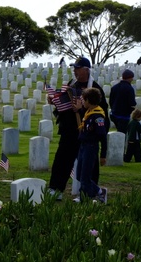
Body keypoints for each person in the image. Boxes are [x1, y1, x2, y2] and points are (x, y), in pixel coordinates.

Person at [46, 57, 108, 199]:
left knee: (88, 165)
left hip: (87, 133)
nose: (75, 71)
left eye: (78, 68)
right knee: (62, 160)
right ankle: (56, 189)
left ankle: (88, 193)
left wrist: (81, 110)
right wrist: (55, 101)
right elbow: (65, 104)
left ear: (86, 70)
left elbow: (100, 112)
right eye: (74, 68)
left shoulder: (95, 89)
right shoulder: (71, 85)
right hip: (69, 130)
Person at [76, 88, 108, 204]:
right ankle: (97, 192)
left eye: (83, 100)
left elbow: (102, 136)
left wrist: (103, 155)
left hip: (91, 147)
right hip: (83, 146)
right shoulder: (88, 113)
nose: (83, 102)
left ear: (88, 100)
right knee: (79, 175)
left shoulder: (97, 116)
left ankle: (98, 193)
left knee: (85, 176)